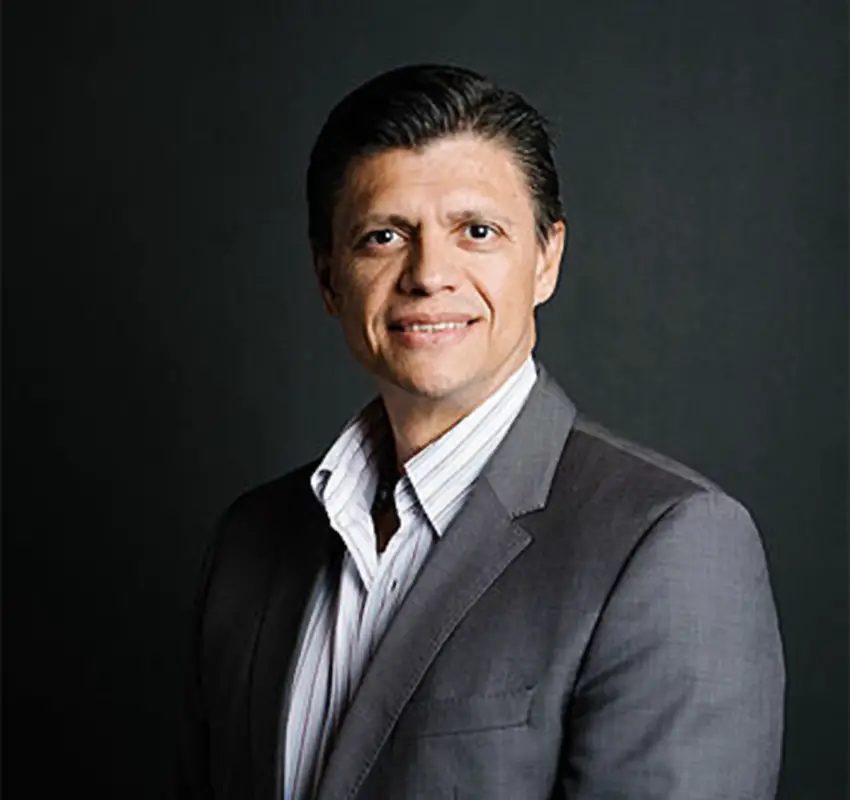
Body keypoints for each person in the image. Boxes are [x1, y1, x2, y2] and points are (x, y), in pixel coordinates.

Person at [177, 64, 785, 799]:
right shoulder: (250, 542)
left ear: (545, 259)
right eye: (383, 236)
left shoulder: (671, 543)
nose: (429, 273)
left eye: (477, 230)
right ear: (328, 277)